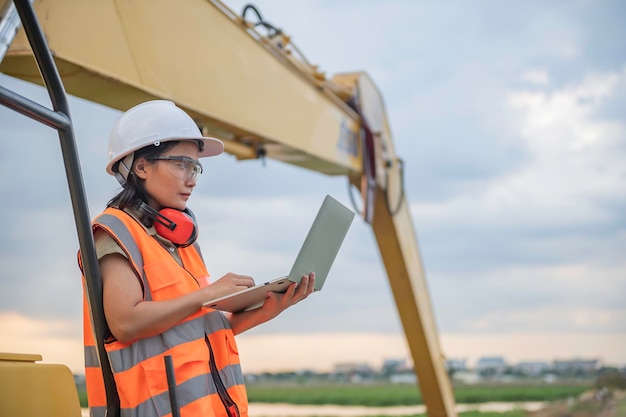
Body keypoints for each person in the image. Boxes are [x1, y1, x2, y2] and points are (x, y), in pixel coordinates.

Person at [80, 100, 315, 417]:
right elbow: (125, 323)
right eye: (181, 164)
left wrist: (268, 309)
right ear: (141, 167)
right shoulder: (114, 232)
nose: (191, 178)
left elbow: (198, 326)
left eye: (195, 168)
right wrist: (208, 293)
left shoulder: (181, 241)